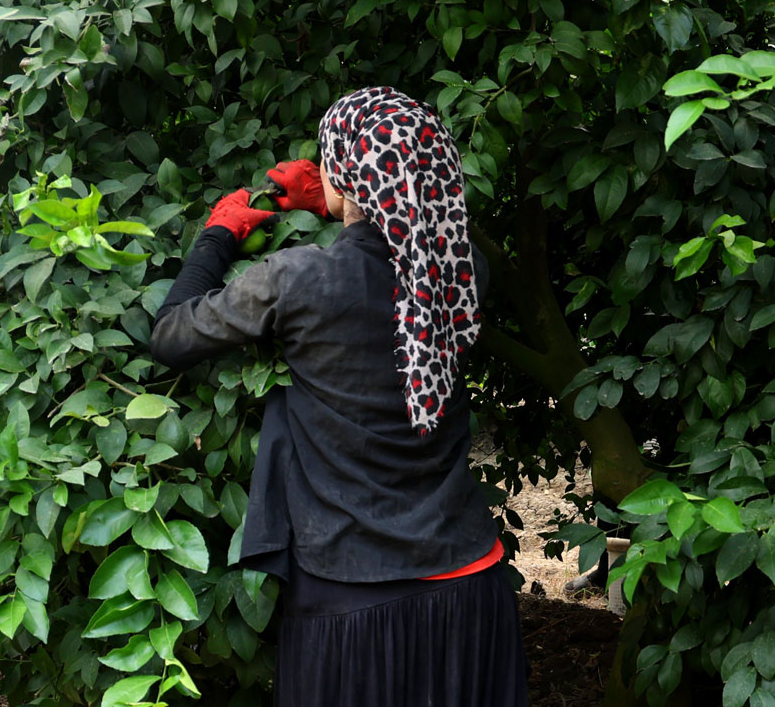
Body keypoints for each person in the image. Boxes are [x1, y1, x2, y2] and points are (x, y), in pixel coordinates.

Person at [150, 86, 529, 706]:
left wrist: (220, 234)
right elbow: (400, 248)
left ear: (348, 178)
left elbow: (170, 334)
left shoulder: (298, 279)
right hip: (469, 585)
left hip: (352, 599)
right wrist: (345, 201)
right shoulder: (463, 271)